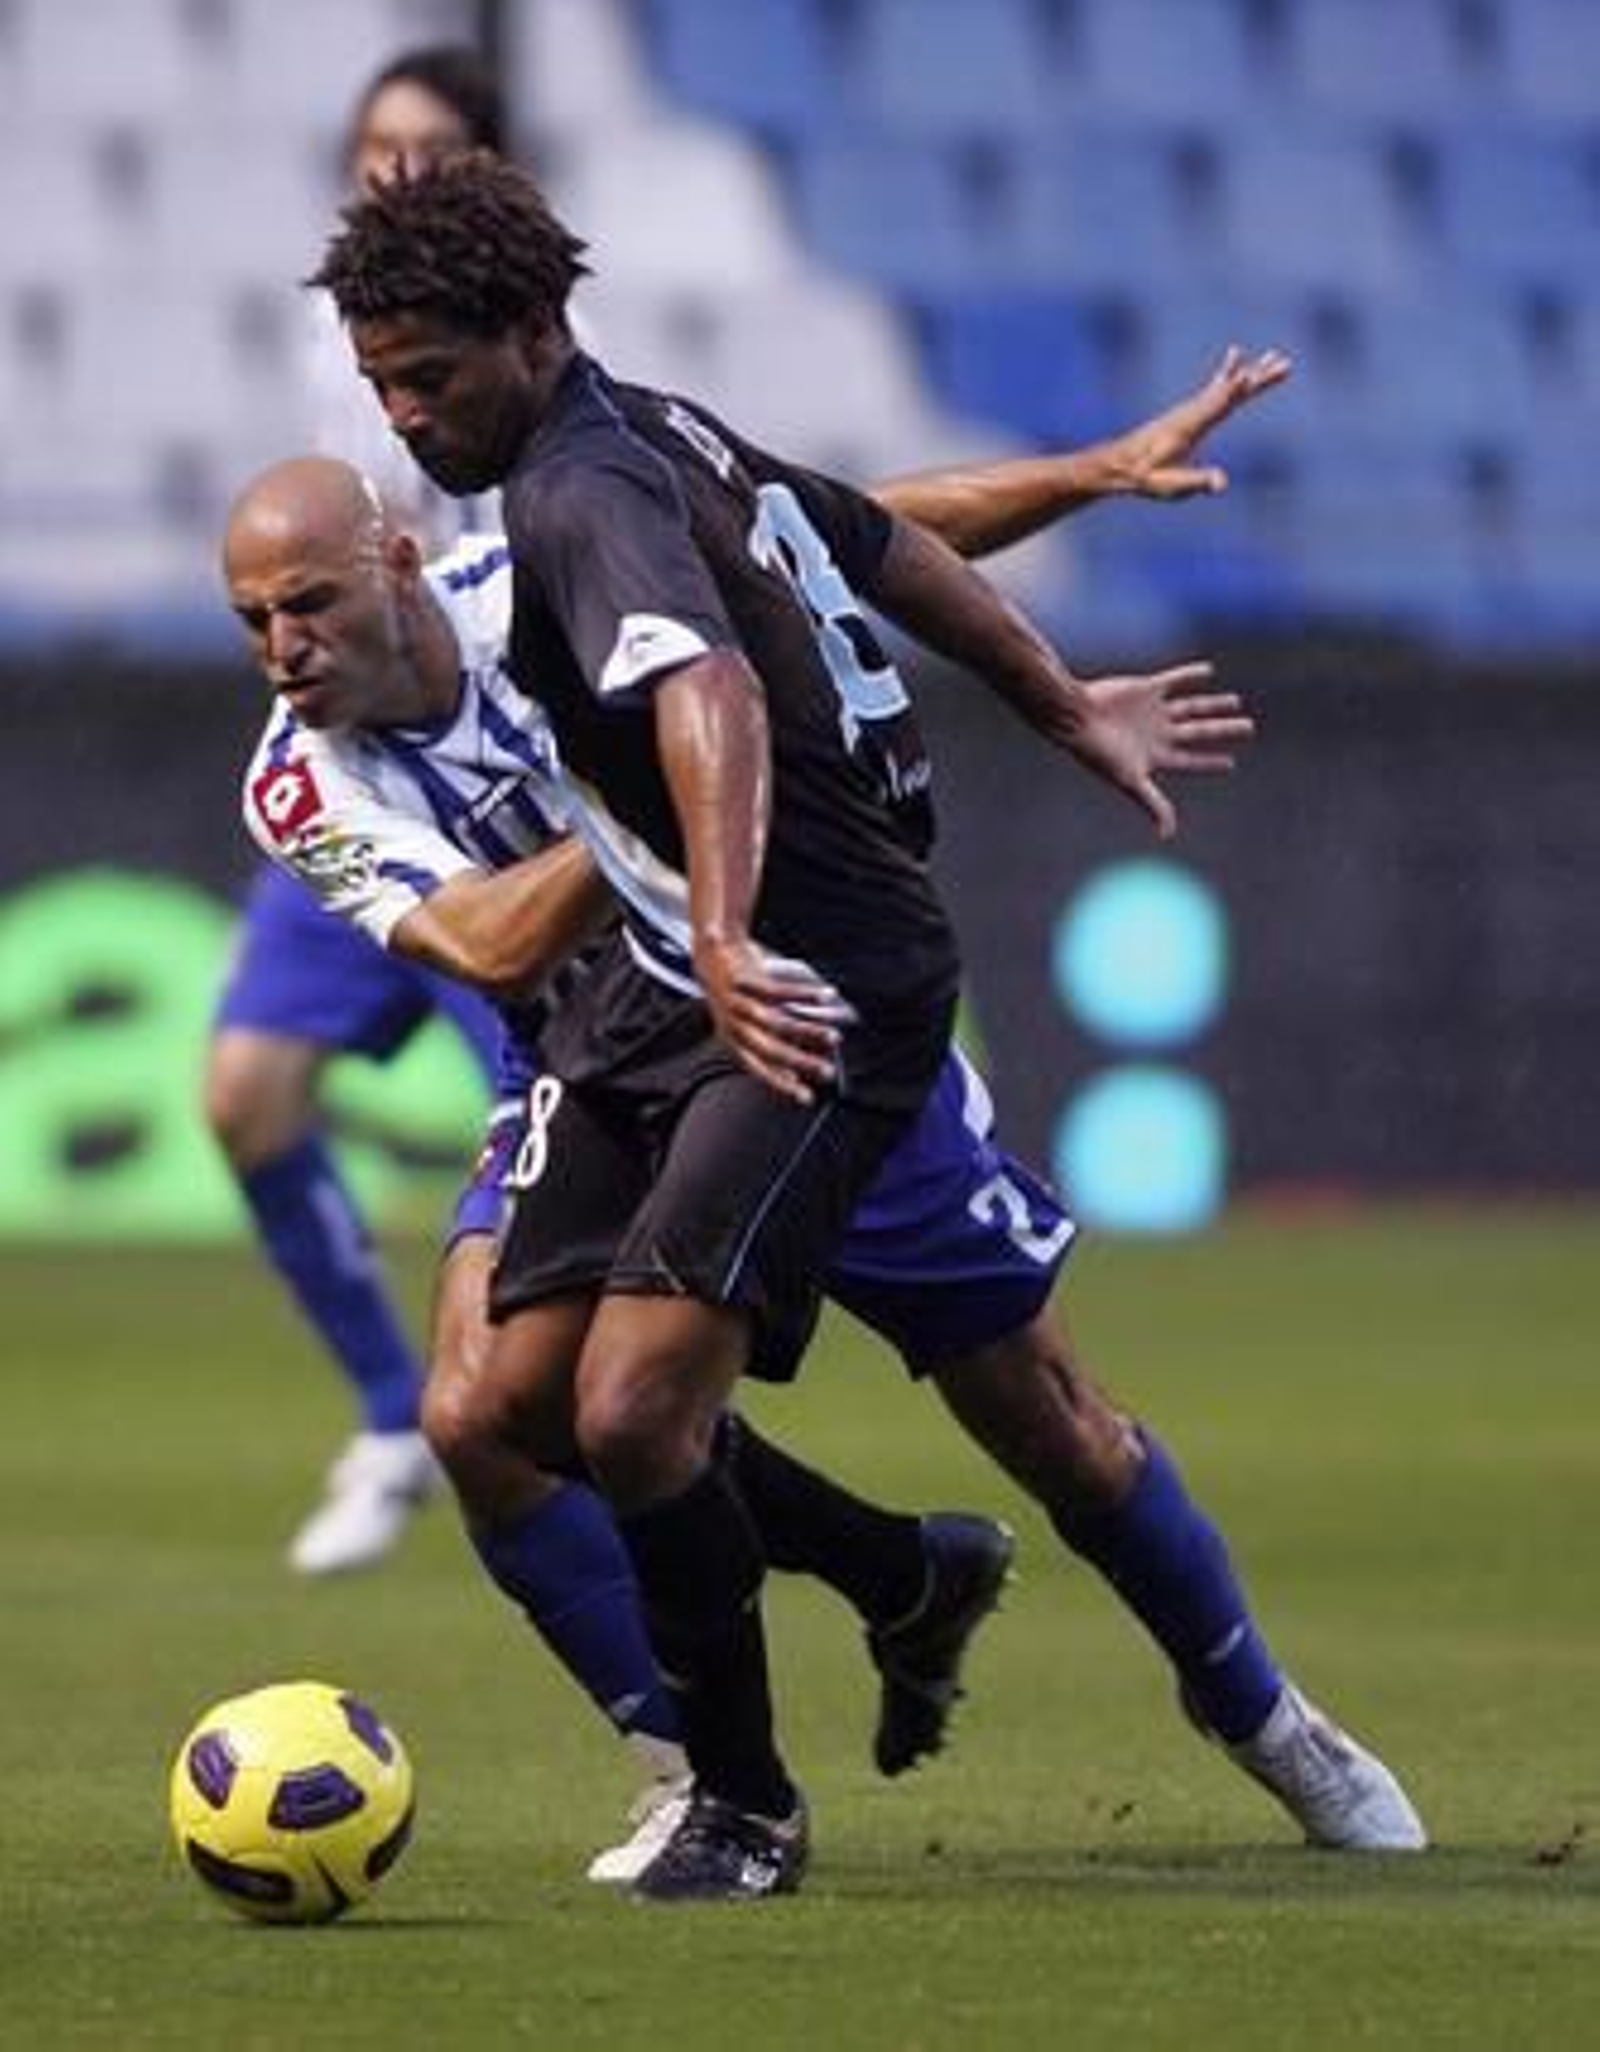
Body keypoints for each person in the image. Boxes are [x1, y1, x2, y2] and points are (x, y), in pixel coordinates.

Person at [305, 154, 1425, 1900]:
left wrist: (738, 921)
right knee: (517, 1403)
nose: (405, 413)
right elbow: (884, 541)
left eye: (427, 376)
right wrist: (1059, 700)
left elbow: (717, 691)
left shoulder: (575, 500)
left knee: (1028, 1410)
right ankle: (772, 1724)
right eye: (378, 382)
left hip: (807, 999)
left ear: (533, 332)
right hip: (656, 1005)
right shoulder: (644, 444)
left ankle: (1268, 1720)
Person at [203, 48, 512, 1577]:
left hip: (500, 786)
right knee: (245, 1095)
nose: (396, 171)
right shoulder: (326, 339)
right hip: (361, 771)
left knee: (557, 1132)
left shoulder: (538, 339)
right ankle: (395, 1417)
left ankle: (581, 1442)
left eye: (432, 150)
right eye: (375, 146)